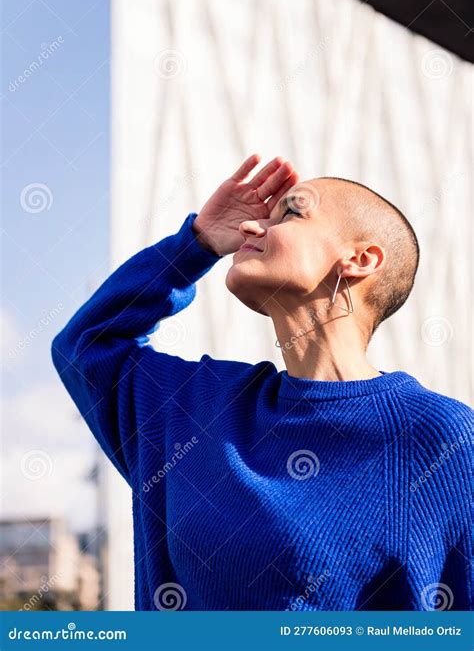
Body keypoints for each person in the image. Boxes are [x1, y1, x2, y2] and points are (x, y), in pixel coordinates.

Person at [51, 154, 472, 611]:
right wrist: (197, 245)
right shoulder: (193, 406)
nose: (251, 229)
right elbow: (87, 345)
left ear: (360, 259)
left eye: (290, 213)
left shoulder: (441, 437)